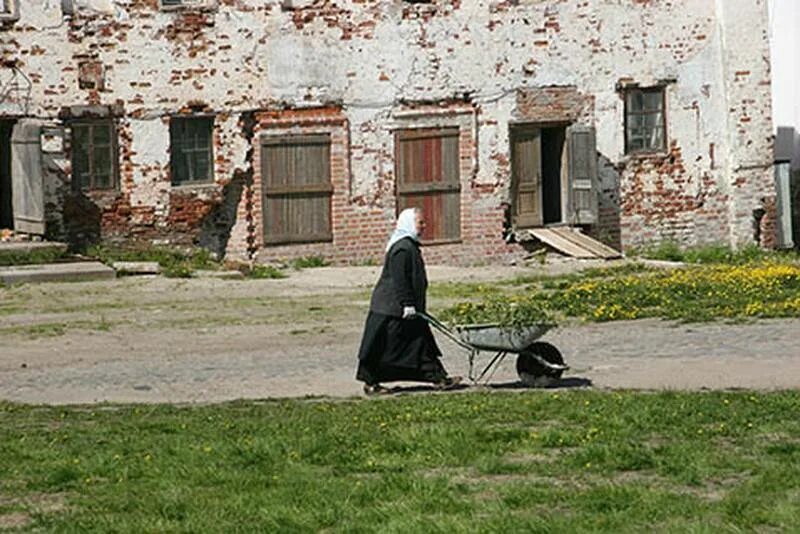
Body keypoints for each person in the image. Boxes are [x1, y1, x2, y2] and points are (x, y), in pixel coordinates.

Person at [356, 207, 461, 395]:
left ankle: (439, 379)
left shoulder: (410, 246)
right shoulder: (402, 249)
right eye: (420, 223)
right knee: (382, 348)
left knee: (421, 346)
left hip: (404, 309)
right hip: (392, 310)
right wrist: (407, 304)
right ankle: (371, 383)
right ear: (408, 224)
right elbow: (399, 279)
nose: (424, 226)